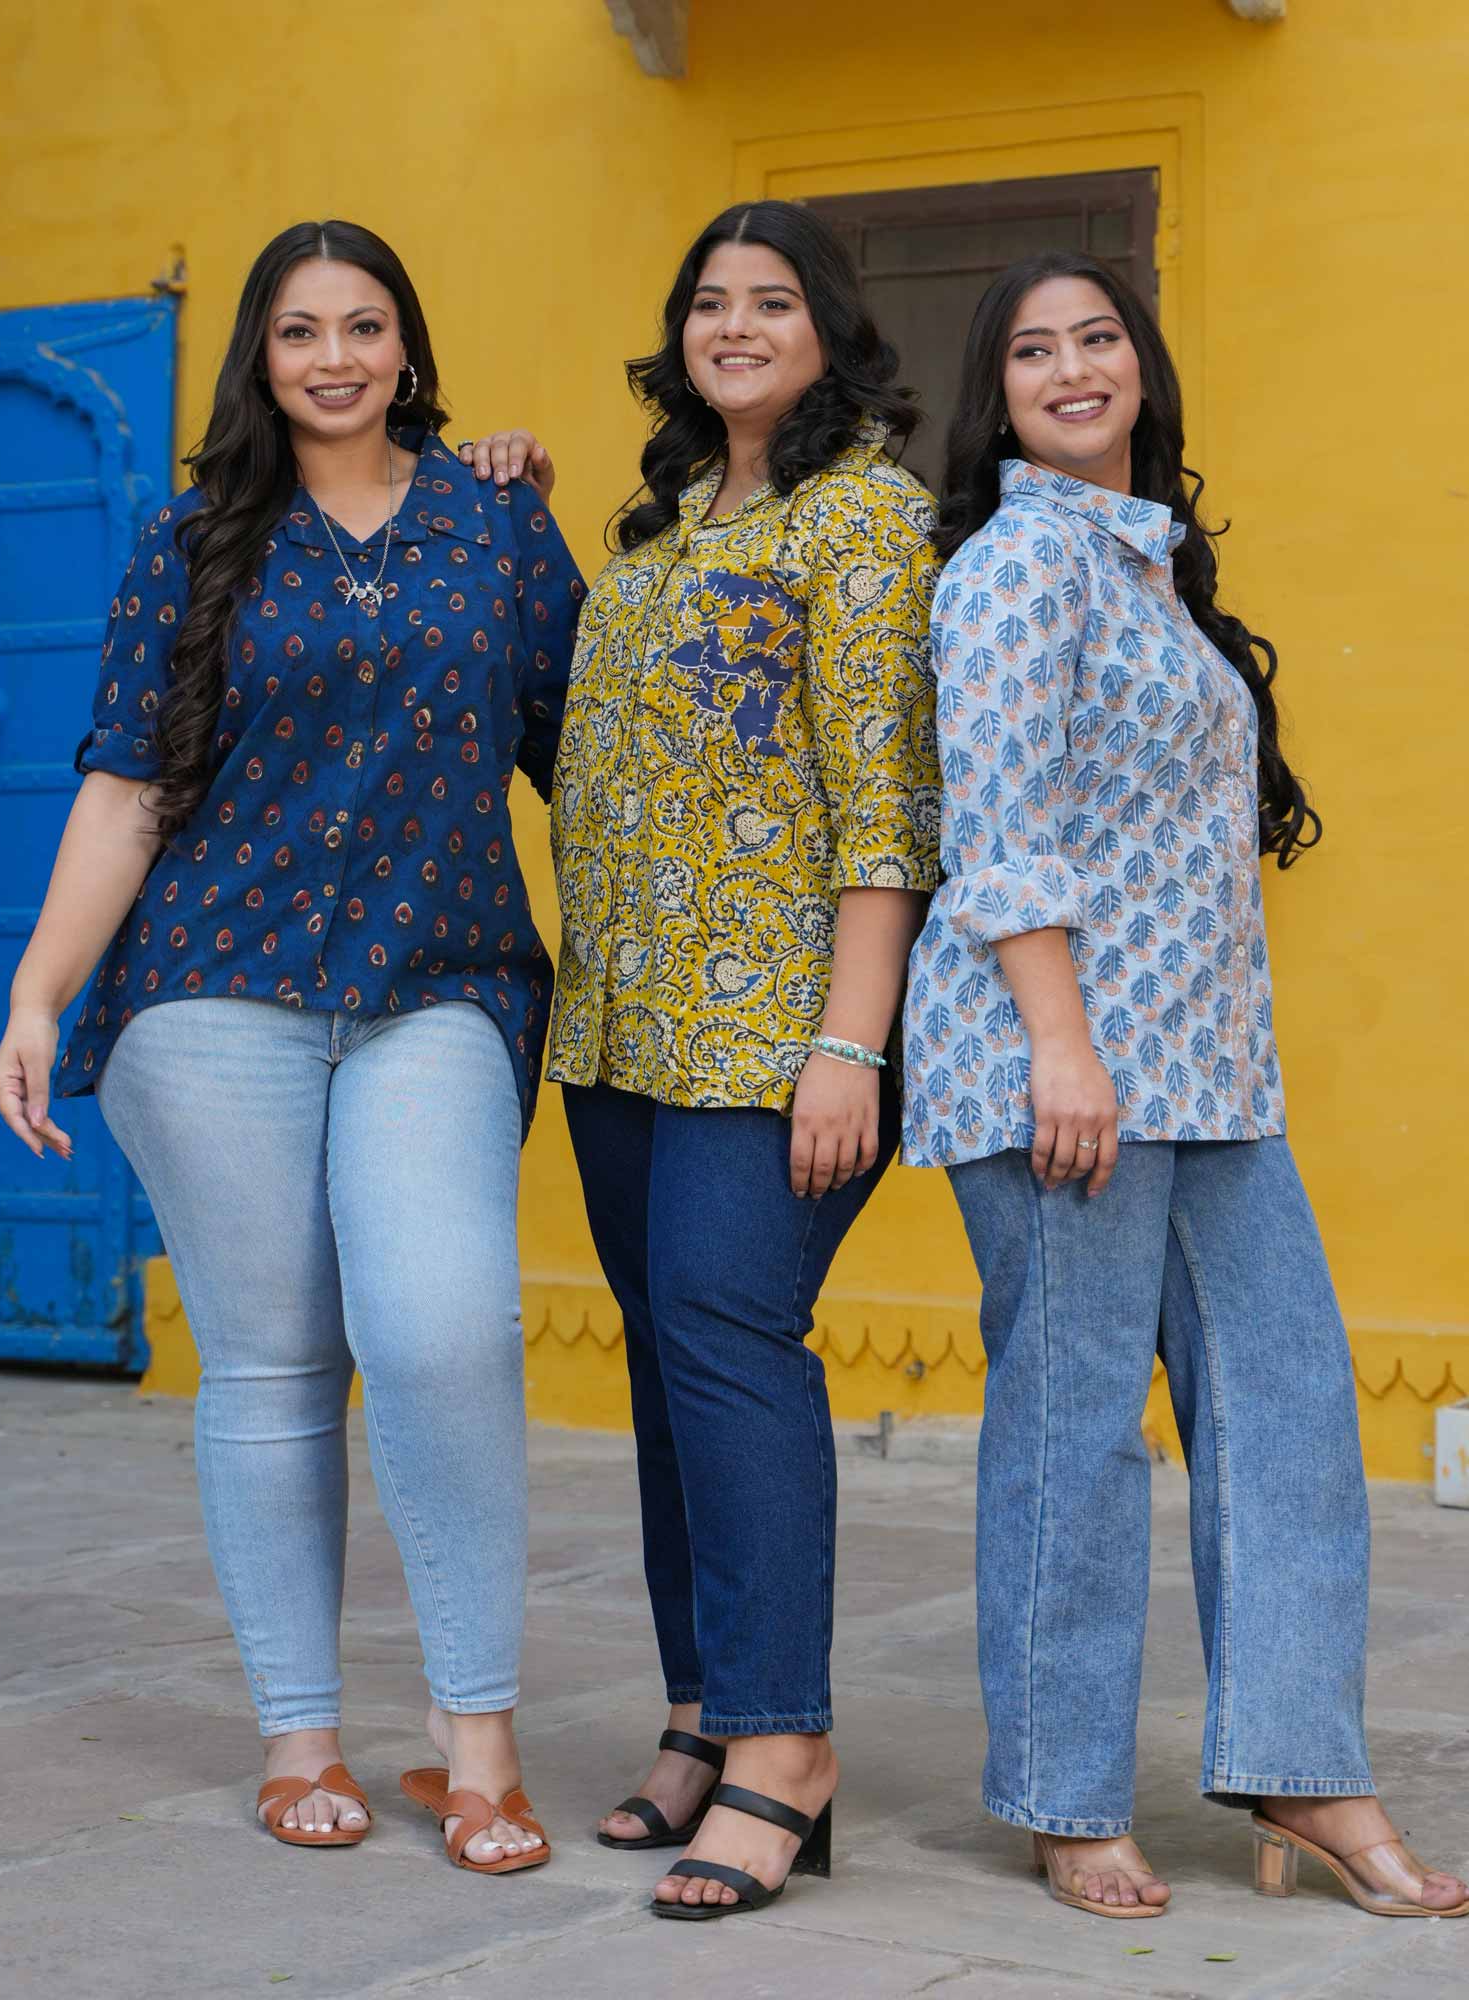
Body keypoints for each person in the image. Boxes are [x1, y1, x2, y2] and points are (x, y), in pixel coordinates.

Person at [0, 219, 582, 1873]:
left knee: (447, 1329)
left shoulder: (494, 526)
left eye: (365, 325)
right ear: (261, 355)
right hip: (210, 989)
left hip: (437, 988)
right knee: (271, 1364)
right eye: (301, 330)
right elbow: (125, 788)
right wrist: (41, 996)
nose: (335, 357)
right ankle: (300, 1737)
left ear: (408, 345)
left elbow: (587, 761)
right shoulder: (194, 541)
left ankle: (480, 1740)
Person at [901, 251, 1469, 1921]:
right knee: (1077, 1430)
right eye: (1032, 350)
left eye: (1098, 340)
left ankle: (1305, 1766)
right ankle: (1065, 1793)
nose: (1072, 368)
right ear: (995, 393)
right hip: (1059, 1064)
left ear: (1142, 368)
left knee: (1286, 1405)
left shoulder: (1149, 567)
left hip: (1209, 1069)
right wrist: (1063, 1043)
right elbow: (999, 828)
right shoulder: (1015, 567)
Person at [542, 200, 941, 1920]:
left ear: (829, 334)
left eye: (771, 301)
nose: (733, 324)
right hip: (621, 1025)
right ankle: (706, 1707)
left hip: (777, 1035)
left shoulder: (866, 520)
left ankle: (785, 1748)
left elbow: (891, 809)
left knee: (728, 1336)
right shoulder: (653, 532)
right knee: (666, 1361)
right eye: (708, 301)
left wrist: (852, 1042)